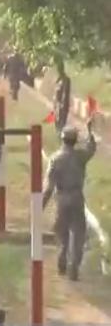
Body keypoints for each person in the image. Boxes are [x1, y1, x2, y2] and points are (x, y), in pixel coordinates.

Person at [42, 121, 96, 281]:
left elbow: (49, 187)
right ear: (75, 140)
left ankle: (62, 260)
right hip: (77, 197)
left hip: (61, 198)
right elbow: (91, 149)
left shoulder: (55, 159)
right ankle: (74, 267)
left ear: (62, 139)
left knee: (62, 233)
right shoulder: (80, 156)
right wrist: (90, 132)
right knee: (78, 234)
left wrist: (40, 205)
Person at [54, 61, 71, 133]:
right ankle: (59, 132)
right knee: (57, 121)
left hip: (62, 104)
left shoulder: (66, 79)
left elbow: (65, 92)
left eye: (59, 68)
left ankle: (61, 132)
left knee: (62, 121)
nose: (58, 70)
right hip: (57, 103)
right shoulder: (58, 79)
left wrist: (62, 103)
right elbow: (56, 91)